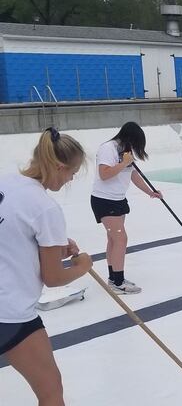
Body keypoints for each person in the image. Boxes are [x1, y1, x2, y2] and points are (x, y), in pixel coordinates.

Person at [0, 128, 93, 406]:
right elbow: (52, 278)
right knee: (51, 393)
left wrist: (49, 244)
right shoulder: (45, 208)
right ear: (58, 166)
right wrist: (83, 266)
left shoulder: (4, 182)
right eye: (71, 173)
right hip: (10, 314)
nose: (70, 180)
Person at [90, 122, 161, 294]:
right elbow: (104, 174)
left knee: (114, 240)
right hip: (104, 200)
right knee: (121, 239)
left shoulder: (125, 150)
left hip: (118, 200)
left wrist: (150, 192)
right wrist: (124, 163)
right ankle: (118, 282)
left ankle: (114, 278)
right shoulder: (108, 148)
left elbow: (134, 175)